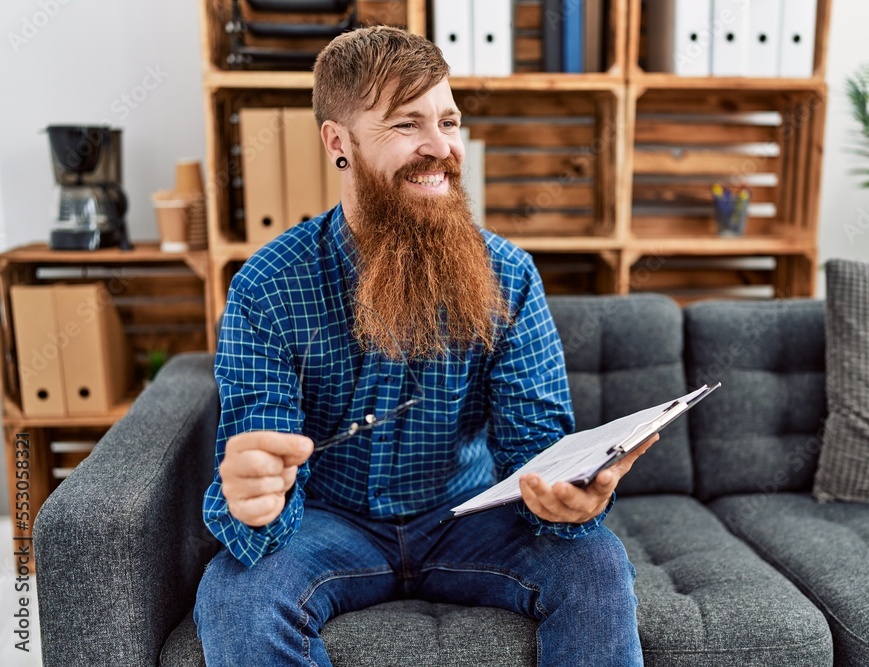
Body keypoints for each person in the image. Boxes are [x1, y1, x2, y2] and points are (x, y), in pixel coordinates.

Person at [194, 25, 655, 667]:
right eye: (407, 125)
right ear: (339, 143)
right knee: (233, 595)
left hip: (469, 516)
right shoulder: (266, 288)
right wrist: (253, 502)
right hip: (330, 525)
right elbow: (262, 462)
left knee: (595, 564)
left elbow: (536, 447)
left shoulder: (509, 275)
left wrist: (567, 498)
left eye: (449, 121)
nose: (441, 148)